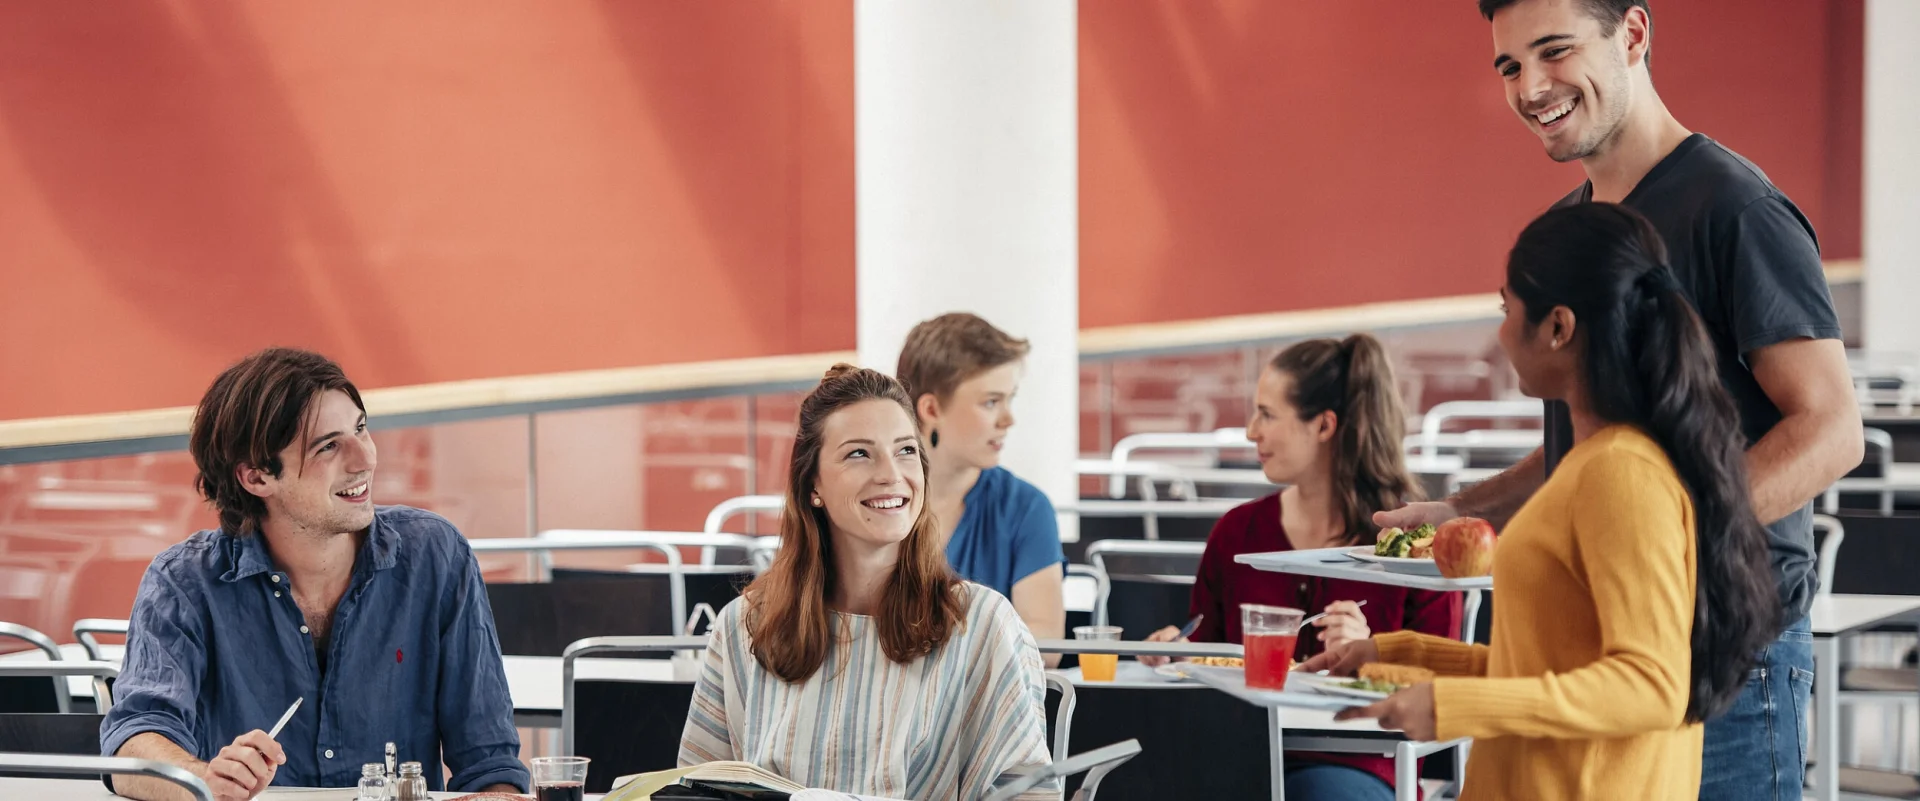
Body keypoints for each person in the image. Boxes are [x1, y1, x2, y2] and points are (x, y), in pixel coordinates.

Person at [1376, 2, 1863, 797]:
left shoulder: (1736, 208)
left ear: (1632, 35)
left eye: (1554, 51)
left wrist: (1663, 541)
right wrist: (1464, 507)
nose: (1531, 87)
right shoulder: (1574, 227)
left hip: (1727, 655)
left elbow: (1832, 430)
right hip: (1594, 650)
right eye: (1508, 66)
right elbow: (1591, 455)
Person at [1309, 203, 1783, 800]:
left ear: (1558, 327)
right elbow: (1542, 675)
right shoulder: (1592, 463)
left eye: (1509, 311)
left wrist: (1454, 704)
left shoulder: (1621, 474)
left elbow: (1651, 684)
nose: (1502, 333)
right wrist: (1390, 654)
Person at [100, 348, 527, 801]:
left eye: (361, 429)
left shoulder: (435, 555)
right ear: (257, 477)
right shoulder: (183, 583)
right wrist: (200, 778)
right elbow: (133, 743)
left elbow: (489, 762)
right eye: (328, 446)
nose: (364, 459)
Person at [679, 365, 1056, 801]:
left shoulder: (984, 625)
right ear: (813, 483)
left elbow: (1030, 794)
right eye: (859, 453)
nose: (891, 474)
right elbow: (698, 787)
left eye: (906, 451)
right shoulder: (744, 625)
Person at [1140, 334, 1463, 801]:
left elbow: (1439, 698)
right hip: (1237, 760)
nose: (1251, 431)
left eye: (1267, 414)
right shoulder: (1236, 534)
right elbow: (1207, 660)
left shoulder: (1411, 545)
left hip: (1360, 766)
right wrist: (1177, 654)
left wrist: (1374, 658)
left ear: (1324, 426)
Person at [896, 313, 1066, 665]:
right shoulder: (877, 502)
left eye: (1010, 399)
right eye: (991, 402)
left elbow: (1046, 647)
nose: (1008, 419)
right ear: (931, 409)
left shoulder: (1026, 508)